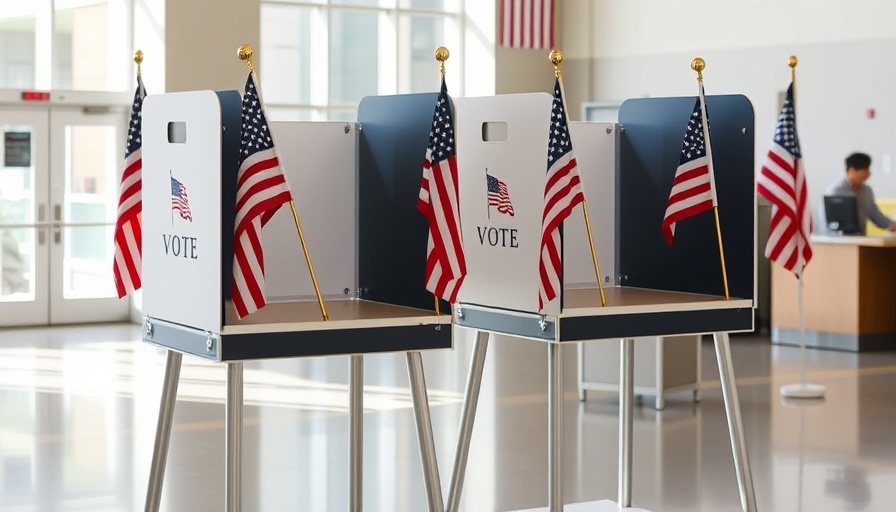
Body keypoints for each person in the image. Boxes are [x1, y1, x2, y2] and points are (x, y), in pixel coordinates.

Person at [825, 152, 896, 234]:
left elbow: (876, 216)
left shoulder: (867, 191)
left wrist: (893, 225)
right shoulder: (836, 190)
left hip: (860, 237)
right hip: (838, 240)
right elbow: (829, 223)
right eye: (866, 169)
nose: (869, 173)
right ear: (852, 171)